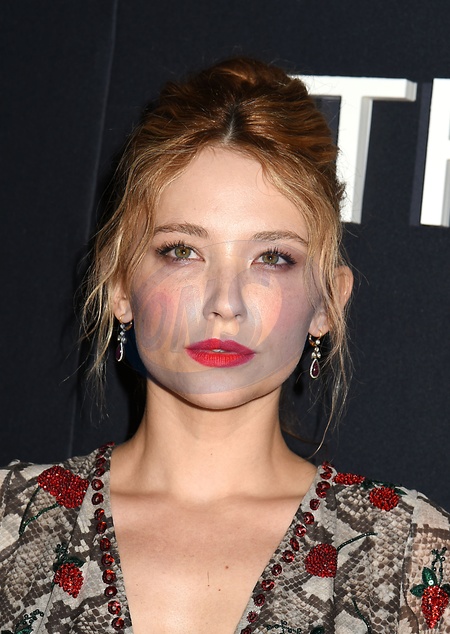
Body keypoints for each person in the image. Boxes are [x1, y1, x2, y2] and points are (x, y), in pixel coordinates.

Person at [0, 58, 449, 634]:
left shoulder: (413, 555)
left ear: (326, 303)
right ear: (119, 287)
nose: (225, 302)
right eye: (182, 251)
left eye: (273, 258)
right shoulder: (12, 526)